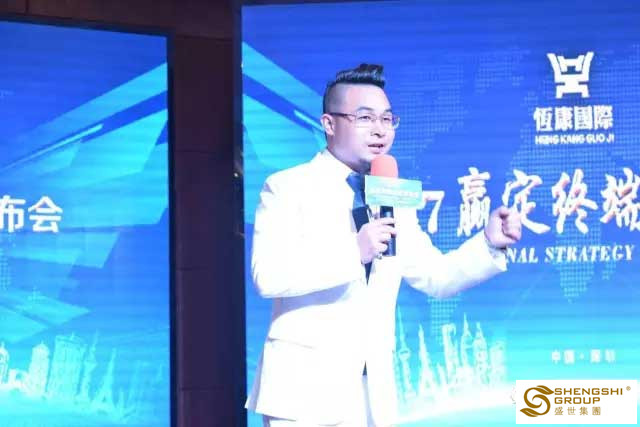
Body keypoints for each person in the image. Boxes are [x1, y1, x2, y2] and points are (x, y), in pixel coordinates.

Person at [245, 64, 522, 426]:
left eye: (387, 119)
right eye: (365, 118)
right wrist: (354, 252)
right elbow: (268, 275)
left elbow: (436, 277)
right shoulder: (287, 187)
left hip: (373, 396)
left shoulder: (391, 193)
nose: (380, 130)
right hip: (304, 393)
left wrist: (488, 244)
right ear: (329, 124)